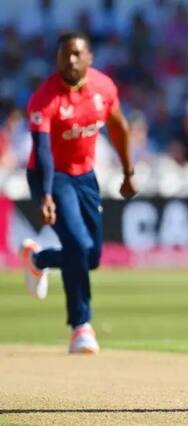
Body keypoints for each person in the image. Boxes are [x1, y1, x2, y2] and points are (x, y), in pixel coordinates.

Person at [19, 32, 137, 354]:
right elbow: (42, 151)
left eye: (76, 54)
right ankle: (81, 327)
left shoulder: (103, 87)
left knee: (91, 257)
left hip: (85, 176)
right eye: (64, 55)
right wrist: (45, 195)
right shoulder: (45, 98)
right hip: (51, 177)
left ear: (89, 58)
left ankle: (38, 258)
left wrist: (128, 172)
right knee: (78, 245)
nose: (70, 60)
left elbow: (119, 127)